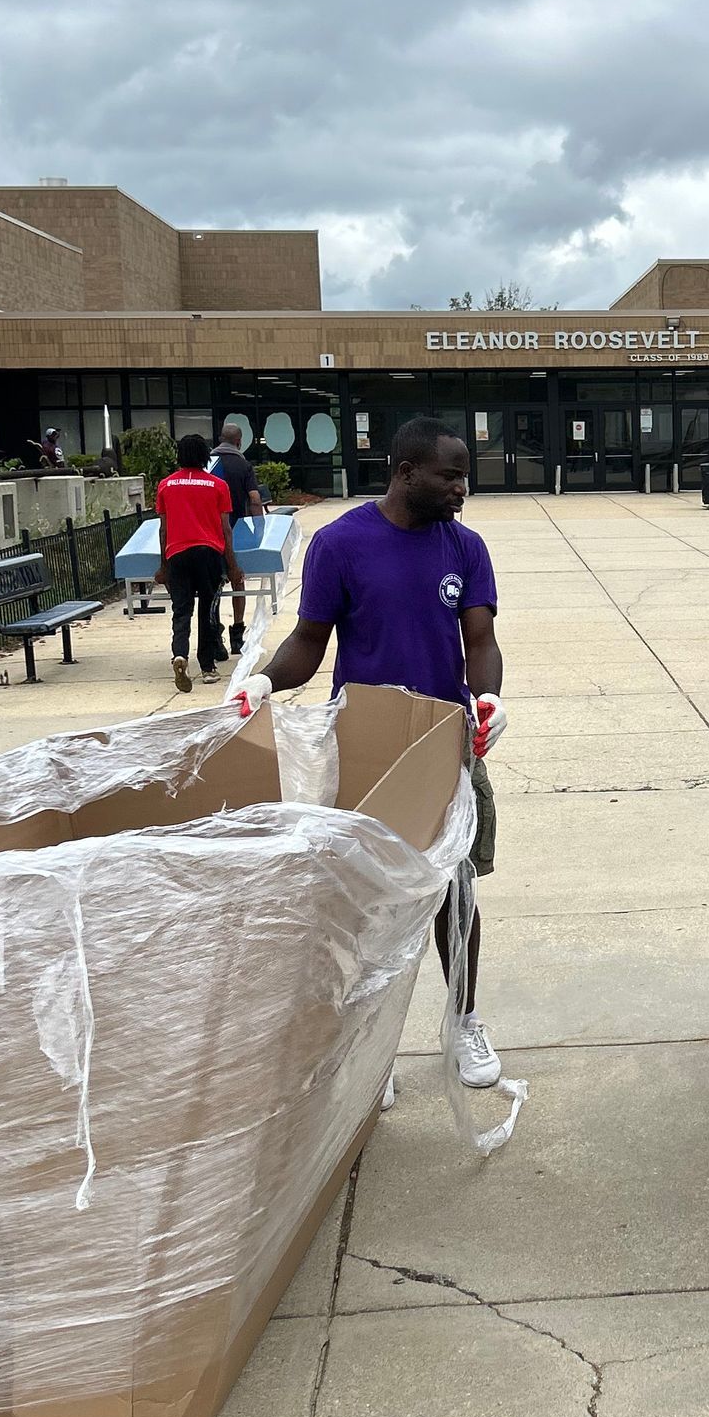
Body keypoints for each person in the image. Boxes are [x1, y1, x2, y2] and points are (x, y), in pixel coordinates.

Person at [260, 418, 507, 1091]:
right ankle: (373, 1045)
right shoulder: (341, 544)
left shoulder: (465, 547)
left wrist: (488, 697)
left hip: (445, 743)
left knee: (456, 891)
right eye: (450, 476)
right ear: (405, 472)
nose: (462, 489)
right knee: (367, 901)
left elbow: (480, 640)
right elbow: (309, 640)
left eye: (464, 476)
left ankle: (463, 1021)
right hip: (366, 746)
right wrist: (265, 682)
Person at [154, 433, 241, 692]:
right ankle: (207, 667)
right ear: (205, 456)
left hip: (177, 554)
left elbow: (163, 530)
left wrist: (163, 566)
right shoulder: (218, 485)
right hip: (209, 554)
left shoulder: (166, 485)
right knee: (207, 610)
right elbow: (226, 530)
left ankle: (180, 654)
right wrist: (233, 566)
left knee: (181, 610)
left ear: (179, 456)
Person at [208, 421, 266, 657]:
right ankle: (237, 633)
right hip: (237, 529)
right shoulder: (243, 465)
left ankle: (214, 633)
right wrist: (260, 529)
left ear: (220, 438)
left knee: (212, 585)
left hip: (209, 532)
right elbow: (254, 499)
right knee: (237, 580)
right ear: (239, 442)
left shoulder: (208, 463)